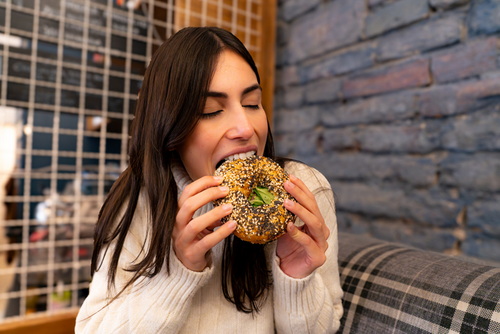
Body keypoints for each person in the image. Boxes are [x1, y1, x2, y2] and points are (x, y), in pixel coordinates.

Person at [75, 26, 343, 333]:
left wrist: (297, 276)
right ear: (170, 128)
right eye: (211, 111)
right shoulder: (138, 202)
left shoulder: (302, 188)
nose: (245, 128)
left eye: (253, 103)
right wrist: (178, 271)